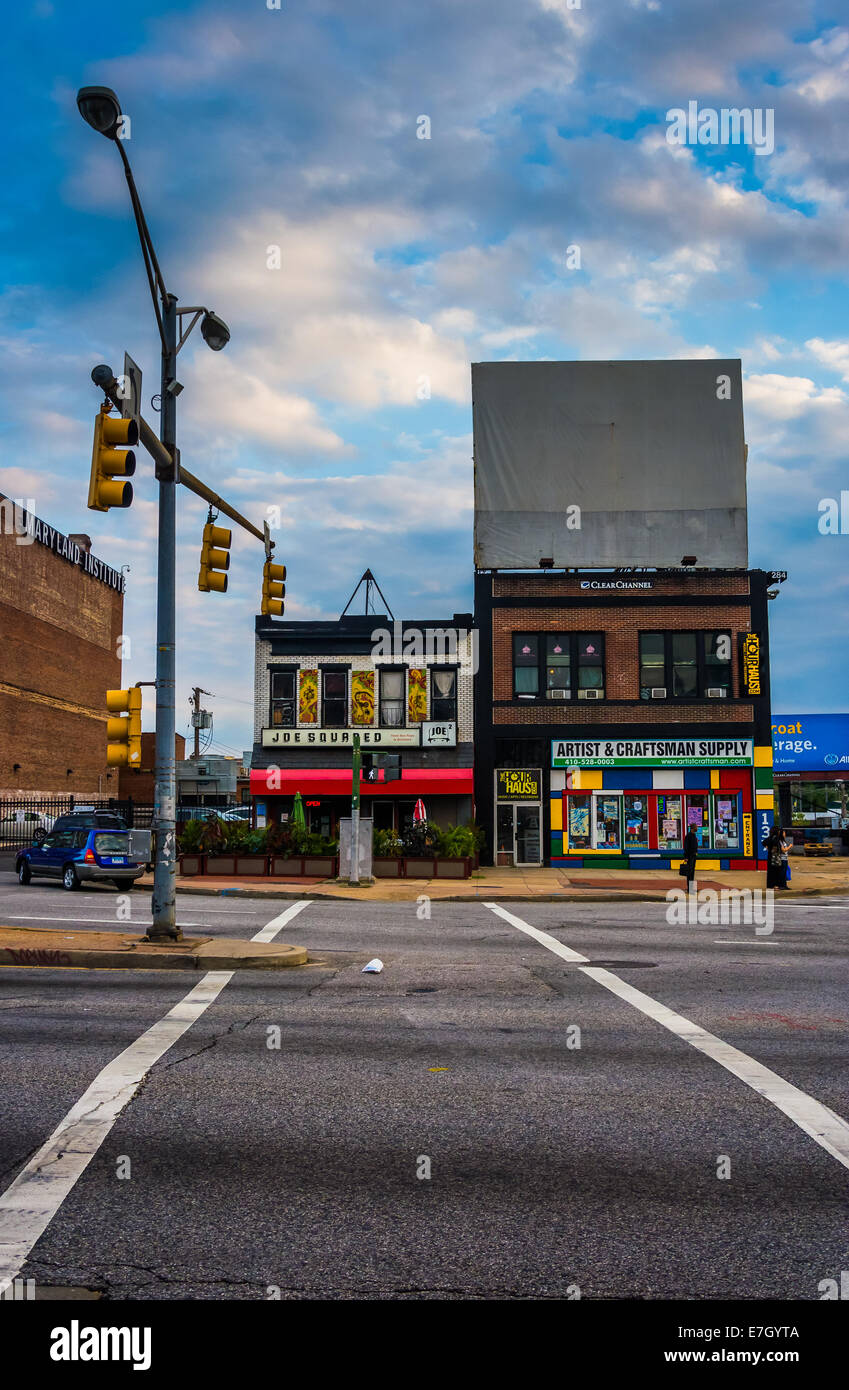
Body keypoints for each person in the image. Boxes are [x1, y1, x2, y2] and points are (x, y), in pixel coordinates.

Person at [765, 825, 789, 889]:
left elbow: (764, 843)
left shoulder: (773, 838)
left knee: (774, 872)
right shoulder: (775, 838)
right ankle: (774, 885)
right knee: (775, 872)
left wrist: (770, 849)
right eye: (778, 830)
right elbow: (765, 844)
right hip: (774, 858)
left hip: (773, 857)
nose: (779, 832)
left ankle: (774, 885)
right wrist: (772, 850)